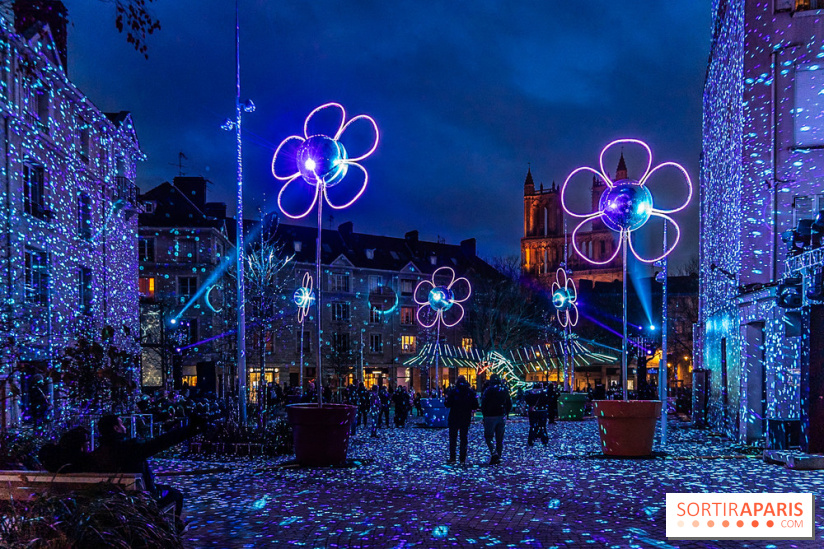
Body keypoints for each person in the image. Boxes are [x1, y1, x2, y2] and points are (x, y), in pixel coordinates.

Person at [90, 413, 208, 522]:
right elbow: (162, 442)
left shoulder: (98, 453)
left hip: (112, 500)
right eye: (122, 424)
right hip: (139, 500)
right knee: (175, 494)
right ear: (116, 428)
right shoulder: (130, 448)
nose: (125, 427)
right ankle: (171, 530)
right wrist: (191, 429)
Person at [444, 375, 478, 465]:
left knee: (453, 438)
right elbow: (475, 405)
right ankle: (462, 459)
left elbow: (447, 404)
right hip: (465, 417)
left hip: (454, 417)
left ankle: (453, 457)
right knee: (463, 438)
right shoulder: (470, 392)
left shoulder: (453, 392)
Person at [481, 374, 511, 465]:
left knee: (488, 436)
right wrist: (506, 413)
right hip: (501, 414)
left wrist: (484, 414)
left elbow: (484, 403)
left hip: (490, 416)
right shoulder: (504, 389)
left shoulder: (488, 390)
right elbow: (509, 402)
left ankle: (494, 453)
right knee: (499, 438)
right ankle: (498, 455)